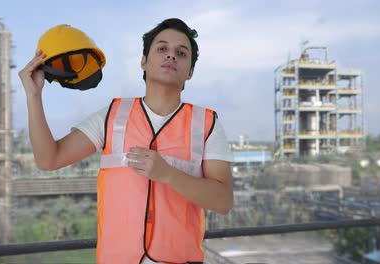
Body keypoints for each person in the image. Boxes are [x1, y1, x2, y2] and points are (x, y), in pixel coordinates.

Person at [19, 18, 233, 264]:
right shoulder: (112, 115)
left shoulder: (206, 123)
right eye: (162, 49)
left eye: (181, 53)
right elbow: (49, 159)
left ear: (191, 71)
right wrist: (33, 96)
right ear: (144, 61)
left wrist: (167, 174)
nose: (171, 56)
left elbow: (223, 201)